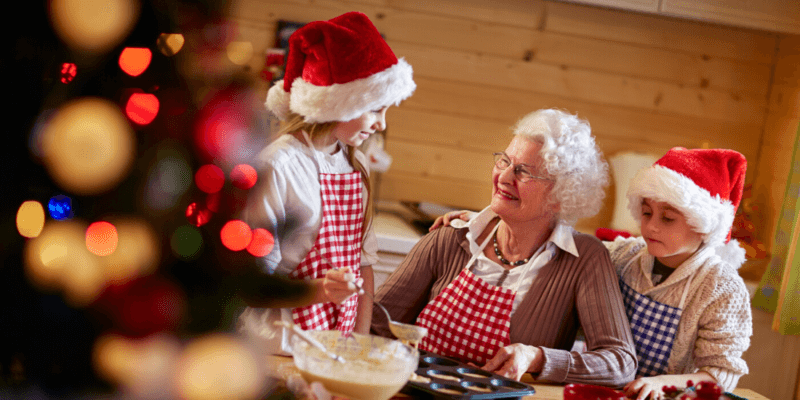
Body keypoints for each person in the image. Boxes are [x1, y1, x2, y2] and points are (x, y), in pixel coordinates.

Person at [372, 109, 637, 387]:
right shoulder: (451, 238)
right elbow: (376, 323)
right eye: (505, 162)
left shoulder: (583, 259)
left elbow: (619, 363)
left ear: (560, 195)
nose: (505, 177)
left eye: (523, 171)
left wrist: (536, 358)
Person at [237, 11, 416, 355]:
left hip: (335, 347)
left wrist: (357, 346)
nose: (381, 125)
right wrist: (320, 292)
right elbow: (250, 284)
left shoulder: (355, 162)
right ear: (339, 104)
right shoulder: (277, 167)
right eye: (375, 110)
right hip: (279, 348)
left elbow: (364, 266)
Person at [606, 147, 752, 400]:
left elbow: (720, 375)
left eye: (668, 218)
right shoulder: (624, 256)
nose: (650, 226)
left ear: (703, 225)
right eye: (647, 212)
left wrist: (664, 383)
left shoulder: (722, 288)